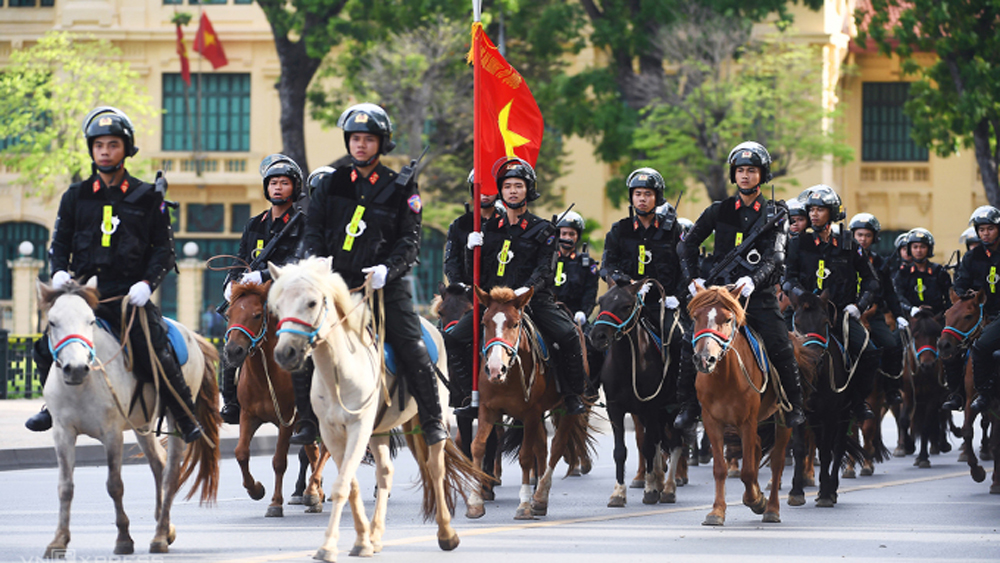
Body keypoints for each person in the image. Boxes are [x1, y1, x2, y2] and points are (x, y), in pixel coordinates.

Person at [25, 107, 202, 443]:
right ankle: (52, 406)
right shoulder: (75, 196)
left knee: (154, 345)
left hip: (127, 295)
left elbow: (164, 251)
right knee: (43, 346)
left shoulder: (150, 197)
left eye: (113, 145)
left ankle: (183, 413)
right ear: (92, 150)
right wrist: (59, 270)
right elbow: (59, 242)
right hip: (85, 295)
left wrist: (146, 284)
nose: (105, 151)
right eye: (99, 145)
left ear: (126, 149)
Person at [300, 103, 447, 445]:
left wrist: (386, 270)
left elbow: (410, 242)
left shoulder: (401, 187)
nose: (360, 145)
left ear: (382, 144)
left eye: (368, 139)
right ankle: (306, 420)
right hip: (337, 285)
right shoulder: (331, 183)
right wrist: (316, 259)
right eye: (354, 139)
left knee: (412, 345)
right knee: (305, 339)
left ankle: (432, 418)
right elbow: (313, 230)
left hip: (383, 286)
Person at [676, 142, 805, 429]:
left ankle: (794, 405)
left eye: (752, 171)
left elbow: (776, 258)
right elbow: (686, 247)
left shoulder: (775, 214)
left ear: (763, 175)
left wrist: (753, 280)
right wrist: (693, 279)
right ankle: (688, 407)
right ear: (734, 175)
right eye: (741, 171)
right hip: (720, 297)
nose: (745, 176)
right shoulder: (717, 211)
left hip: (756, 296)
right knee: (688, 342)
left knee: (780, 344)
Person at [445, 157, 588, 416]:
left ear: (528, 190)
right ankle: (467, 395)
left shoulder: (544, 230)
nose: (513, 190)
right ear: (501, 191)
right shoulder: (487, 228)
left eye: (518, 186)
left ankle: (571, 394)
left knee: (568, 335)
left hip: (530, 300)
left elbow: (545, 269)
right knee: (454, 338)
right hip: (496, 304)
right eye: (508, 186)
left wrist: (526, 289)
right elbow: (473, 274)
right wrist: (470, 249)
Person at [218, 154, 308, 430]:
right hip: (253, 295)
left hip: (286, 294)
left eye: (284, 183)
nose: (278, 188)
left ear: (295, 187)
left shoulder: (303, 223)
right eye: (273, 183)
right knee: (234, 337)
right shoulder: (254, 224)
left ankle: (307, 408)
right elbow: (241, 258)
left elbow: (297, 261)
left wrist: (266, 275)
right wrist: (232, 283)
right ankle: (232, 401)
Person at [783, 185, 880, 421]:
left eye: (820, 210)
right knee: (777, 350)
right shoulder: (797, 243)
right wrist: (802, 297)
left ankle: (857, 402)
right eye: (811, 210)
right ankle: (786, 404)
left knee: (869, 353)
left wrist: (859, 306)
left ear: (833, 213)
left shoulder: (849, 244)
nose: (814, 214)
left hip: (839, 316)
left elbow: (871, 281)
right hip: (804, 316)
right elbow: (787, 279)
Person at [442, 169, 501, 418]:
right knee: (452, 338)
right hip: (469, 294)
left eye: (490, 188)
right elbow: (450, 262)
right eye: (480, 188)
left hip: (500, 296)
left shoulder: (505, 221)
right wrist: (461, 285)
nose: (485, 193)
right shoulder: (460, 225)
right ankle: (466, 392)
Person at [942, 206, 1000, 413]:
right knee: (950, 345)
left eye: (990, 228)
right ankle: (956, 394)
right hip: (977, 313)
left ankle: (983, 394)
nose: (985, 233)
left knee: (982, 345)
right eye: (981, 229)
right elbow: (959, 282)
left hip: (998, 314)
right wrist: (964, 293)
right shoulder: (972, 256)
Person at [848, 213, 905, 406]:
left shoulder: (880, 263)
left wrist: (899, 316)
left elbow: (889, 292)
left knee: (891, 345)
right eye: (859, 235)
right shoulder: (843, 258)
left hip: (874, 314)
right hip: (848, 314)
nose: (862, 239)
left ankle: (891, 389)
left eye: (867, 235)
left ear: (874, 238)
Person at [553, 210, 599, 326]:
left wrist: (584, 313)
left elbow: (590, 292)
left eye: (572, 234)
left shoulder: (587, 264)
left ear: (578, 236)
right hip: (550, 312)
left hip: (575, 317)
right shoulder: (547, 260)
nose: (567, 238)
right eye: (564, 234)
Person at [893, 228, 952, 317]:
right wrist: (911, 309)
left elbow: (949, 296)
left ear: (929, 249)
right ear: (910, 249)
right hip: (911, 317)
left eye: (923, 247)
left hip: (937, 317)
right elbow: (898, 296)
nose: (919, 251)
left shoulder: (939, 271)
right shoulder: (903, 273)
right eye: (915, 247)